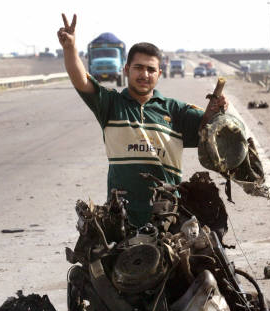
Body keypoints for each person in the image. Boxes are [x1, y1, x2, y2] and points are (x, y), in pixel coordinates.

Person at [58, 14, 228, 227]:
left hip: (168, 215)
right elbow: (81, 80)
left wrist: (216, 112)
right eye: (138, 68)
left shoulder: (175, 110)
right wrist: (70, 49)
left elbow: (210, 130)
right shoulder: (110, 104)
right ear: (127, 69)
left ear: (159, 73)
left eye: (150, 69)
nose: (144, 74)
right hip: (121, 217)